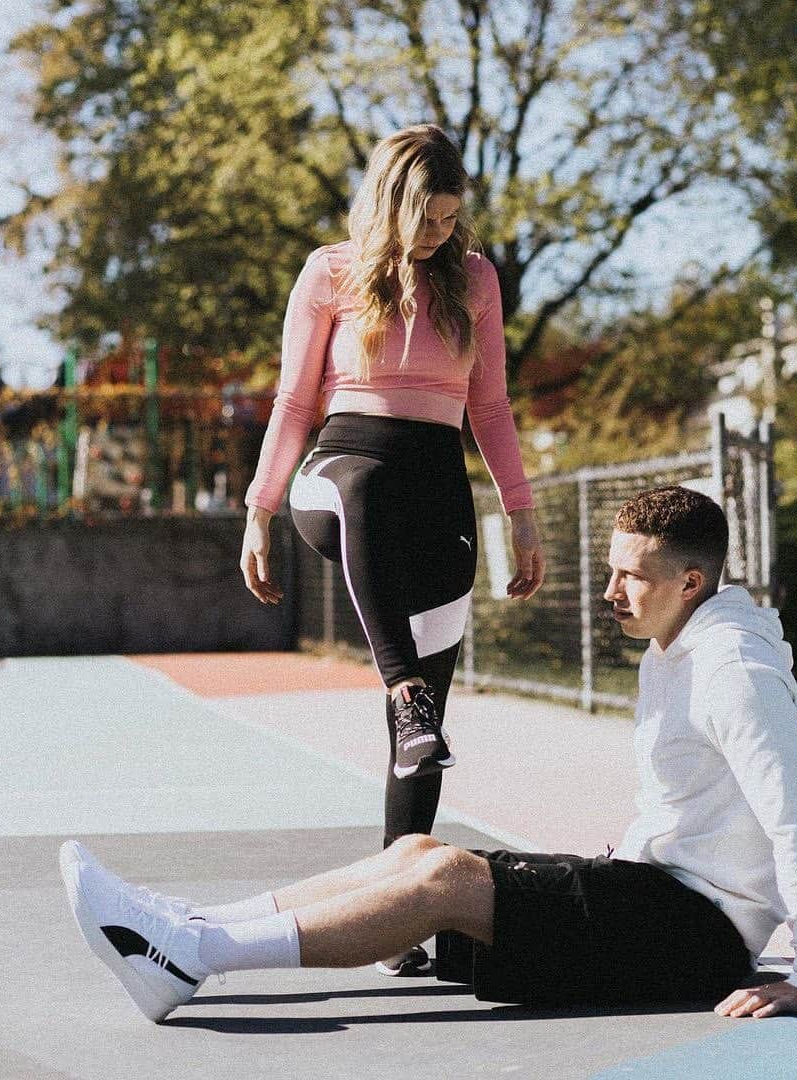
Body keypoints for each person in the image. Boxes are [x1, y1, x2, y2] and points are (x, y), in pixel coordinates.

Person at [60, 486, 797, 1023]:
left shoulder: (735, 674)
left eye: (631, 577)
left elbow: (796, 824)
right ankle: (191, 921)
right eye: (612, 570)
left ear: (692, 580)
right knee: (418, 850)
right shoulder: (671, 652)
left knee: (441, 882)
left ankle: (190, 955)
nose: (611, 591)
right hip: (653, 894)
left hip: (698, 937)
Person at [239, 124, 544, 974]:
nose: (438, 233)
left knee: (420, 741)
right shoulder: (330, 272)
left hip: (437, 494)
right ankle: (401, 685)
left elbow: (491, 409)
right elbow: (294, 401)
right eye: (425, 216)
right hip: (338, 476)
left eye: (451, 219)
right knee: (362, 496)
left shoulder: (475, 280)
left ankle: (397, 917)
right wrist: (260, 510)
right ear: (388, 201)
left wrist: (521, 511)